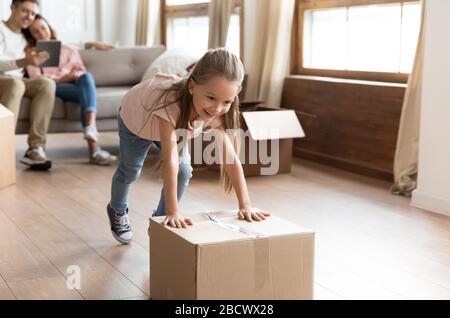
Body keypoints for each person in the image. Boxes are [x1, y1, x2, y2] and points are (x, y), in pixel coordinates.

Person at [107, 48, 270, 245]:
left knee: (184, 171)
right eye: (211, 98)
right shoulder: (170, 103)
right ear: (192, 86)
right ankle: (117, 208)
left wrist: (246, 205)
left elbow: (230, 158)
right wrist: (174, 211)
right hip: (137, 120)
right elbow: (170, 161)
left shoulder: (216, 111)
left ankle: (160, 220)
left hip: (172, 125)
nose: (217, 109)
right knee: (130, 171)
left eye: (226, 101)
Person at [23, 14, 117, 165]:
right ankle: (94, 150)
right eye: (35, 32)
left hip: (75, 85)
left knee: (86, 79)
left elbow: (80, 70)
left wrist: (72, 76)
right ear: (31, 36)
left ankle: (91, 129)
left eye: (43, 28)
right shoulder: (32, 54)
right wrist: (62, 78)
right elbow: (38, 80)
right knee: (84, 92)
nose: (41, 33)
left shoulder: (68, 48)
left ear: (49, 27)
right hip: (52, 87)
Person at [0, 0, 55, 169]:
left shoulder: (27, 36)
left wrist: (88, 44)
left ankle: (35, 148)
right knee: (17, 84)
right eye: (25, 11)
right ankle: (3, 147)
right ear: (12, 7)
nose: (29, 17)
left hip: (18, 80)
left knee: (47, 84)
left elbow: (56, 40)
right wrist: (24, 61)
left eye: (32, 13)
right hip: (3, 77)